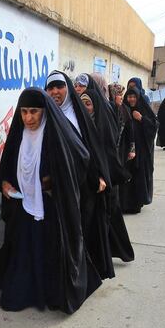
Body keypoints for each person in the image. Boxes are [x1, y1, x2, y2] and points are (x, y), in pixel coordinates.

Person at [0, 88, 101, 313]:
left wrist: (55, 180)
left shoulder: (55, 134)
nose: (28, 118)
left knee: (49, 252)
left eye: (34, 112)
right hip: (23, 206)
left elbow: (81, 158)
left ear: (44, 111)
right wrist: (5, 184)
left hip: (50, 207)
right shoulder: (18, 135)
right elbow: (7, 167)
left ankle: (49, 293)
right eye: (24, 112)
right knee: (24, 253)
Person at [46, 70, 115, 280]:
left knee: (83, 228)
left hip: (85, 183)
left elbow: (93, 149)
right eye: (50, 88)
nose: (55, 92)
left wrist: (99, 176)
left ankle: (85, 272)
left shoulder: (79, 114)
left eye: (60, 86)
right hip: (59, 184)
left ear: (67, 87)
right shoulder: (46, 115)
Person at [84, 76, 135, 263]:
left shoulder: (106, 114)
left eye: (88, 104)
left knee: (109, 218)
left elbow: (113, 143)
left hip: (108, 177)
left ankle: (119, 253)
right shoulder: (81, 122)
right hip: (94, 181)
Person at [119, 87, 157, 214]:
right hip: (126, 150)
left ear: (138, 97)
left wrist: (142, 119)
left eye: (134, 96)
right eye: (129, 96)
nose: (131, 99)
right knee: (127, 177)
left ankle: (136, 205)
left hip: (142, 153)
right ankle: (124, 204)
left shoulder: (143, 110)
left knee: (138, 178)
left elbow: (154, 126)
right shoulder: (123, 109)